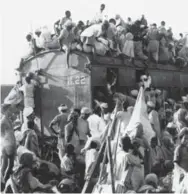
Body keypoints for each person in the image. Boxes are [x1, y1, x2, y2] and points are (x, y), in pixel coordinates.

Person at [1, 104, 16, 184]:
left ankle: (6, 181)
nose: (11, 111)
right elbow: (1, 134)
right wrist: (6, 142)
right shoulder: (3, 121)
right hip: (7, 145)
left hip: (11, 144)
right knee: (5, 165)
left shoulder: (9, 120)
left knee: (11, 165)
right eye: (9, 110)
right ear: (6, 111)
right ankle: (2, 182)